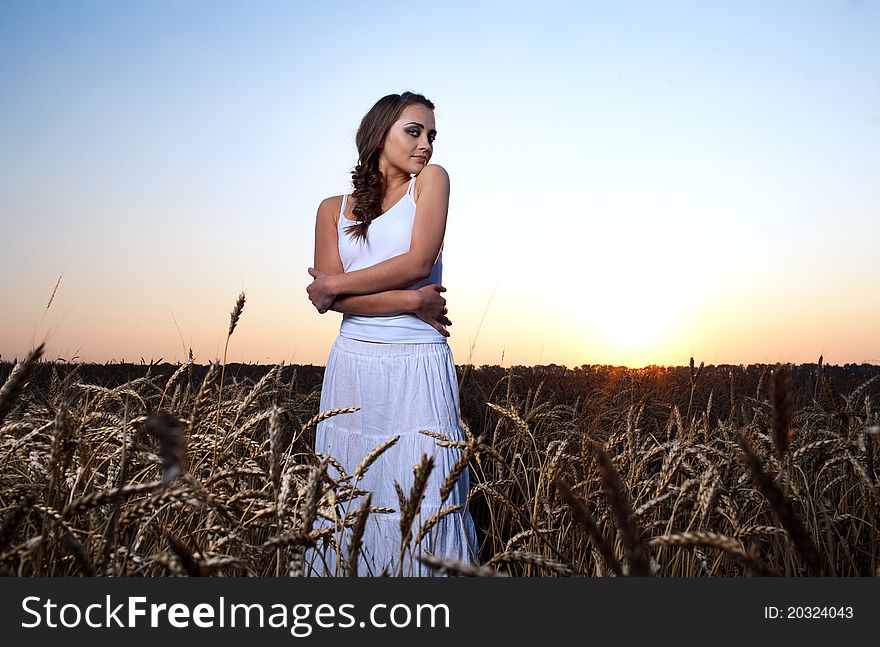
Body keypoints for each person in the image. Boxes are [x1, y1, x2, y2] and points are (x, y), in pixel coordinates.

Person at [304, 91, 478, 576]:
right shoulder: (330, 209)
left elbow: (418, 262)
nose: (425, 145)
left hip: (417, 361)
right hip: (353, 364)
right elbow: (330, 303)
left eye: (431, 136)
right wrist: (407, 300)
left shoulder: (431, 184)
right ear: (380, 133)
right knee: (349, 492)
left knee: (424, 497)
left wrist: (337, 284)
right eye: (413, 131)